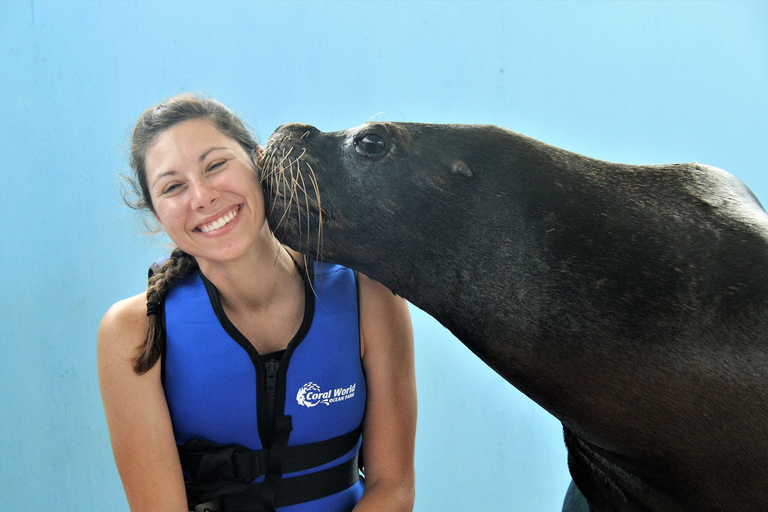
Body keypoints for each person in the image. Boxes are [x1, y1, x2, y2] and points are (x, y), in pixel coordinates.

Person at [97, 94, 417, 512]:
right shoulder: (133, 331)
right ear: (158, 214)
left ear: (259, 162)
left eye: (215, 165)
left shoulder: (367, 290)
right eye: (173, 186)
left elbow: (393, 487)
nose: (202, 196)